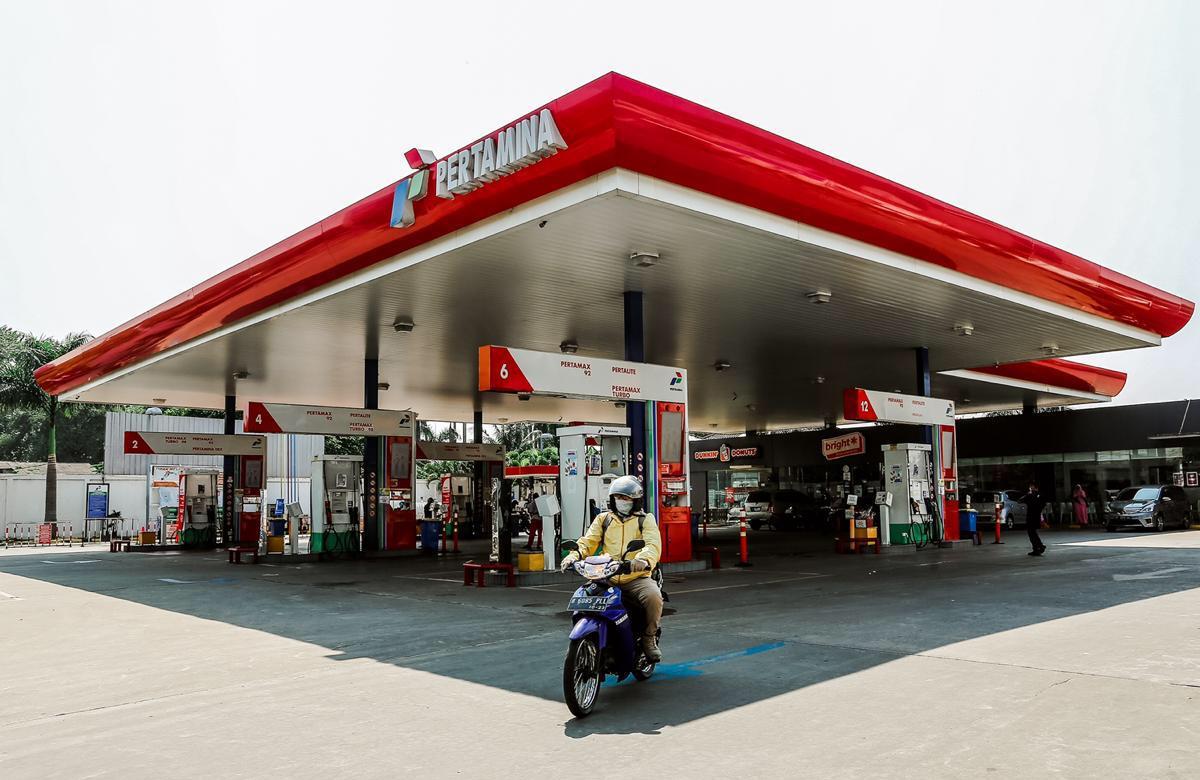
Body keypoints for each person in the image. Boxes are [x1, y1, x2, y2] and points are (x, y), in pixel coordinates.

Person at [560, 476, 664, 662]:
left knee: (654, 597)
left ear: (635, 500)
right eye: (618, 497)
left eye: (626, 498)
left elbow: (652, 545)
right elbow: (588, 542)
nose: (621, 501)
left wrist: (642, 560)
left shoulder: (645, 520)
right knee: (583, 597)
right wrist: (573, 556)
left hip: (635, 576)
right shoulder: (603, 519)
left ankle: (648, 638)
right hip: (606, 576)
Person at [1020, 482, 1048, 556]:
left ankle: (1038, 547)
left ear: (1035, 488)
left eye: (1031, 487)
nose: (1030, 489)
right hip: (1036, 516)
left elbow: (1020, 500)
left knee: (1031, 533)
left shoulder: (1030, 495)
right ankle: (1038, 547)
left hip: (1031, 516)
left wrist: (1028, 495)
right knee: (1033, 532)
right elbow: (1043, 504)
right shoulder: (1040, 495)